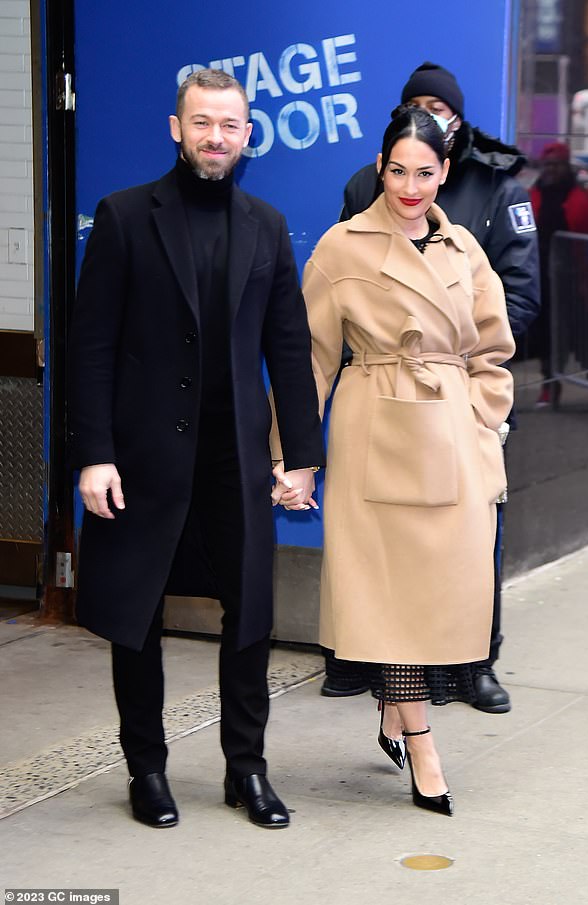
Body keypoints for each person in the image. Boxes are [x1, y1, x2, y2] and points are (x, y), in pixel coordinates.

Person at [68, 69, 324, 830]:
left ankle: (246, 769)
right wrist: (94, 453)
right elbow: (91, 347)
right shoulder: (123, 217)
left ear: (249, 136)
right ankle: (146, 767)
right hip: (141, 458)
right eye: (203, 123)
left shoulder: (267, 226)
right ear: (176, 129)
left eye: (231, 125)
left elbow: (288, 348)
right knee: (136, 614)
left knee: (249, 617)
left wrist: (302, 453)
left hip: (234, 461)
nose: (217, 137)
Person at [274, 107, 514, 815]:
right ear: (380, 168)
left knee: (437, 592)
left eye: (427, 172)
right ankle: (424, 743)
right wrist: (295, 459)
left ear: (446, 172)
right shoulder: (341, 247)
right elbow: (309, 361)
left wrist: (483, 421)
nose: (412, 186)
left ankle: (393, 708)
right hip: (375, 428)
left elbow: (494, 351)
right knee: (388, 596)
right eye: (399, 170)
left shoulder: (465, 247)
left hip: (451, 438)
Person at [322, 61, 539, 713]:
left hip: (456, 401)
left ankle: (474, 665)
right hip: (385, 399)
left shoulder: (499, 182)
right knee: (379, 546)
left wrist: (476, 398)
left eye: (439, 106)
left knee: (468, 546)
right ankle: (368, 664)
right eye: (416, 104)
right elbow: (343, 292)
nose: (410, 183)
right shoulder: (365, 185)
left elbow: (514, 300)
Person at [529, 142, 588, 408]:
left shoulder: (579, 195)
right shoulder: (534, 193)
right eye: (547, 164)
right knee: (546, 335)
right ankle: (550, 384)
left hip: (573, 277)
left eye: (556, 165)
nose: (550, 170)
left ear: (565, 166)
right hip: (542, 278)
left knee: (583, 334)